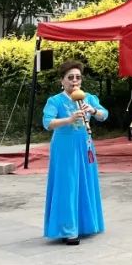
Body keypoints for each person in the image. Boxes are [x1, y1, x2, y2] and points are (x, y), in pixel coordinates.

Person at [42, 60, 109, 245]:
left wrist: (93, 110)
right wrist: (69, 119)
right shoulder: (55, 100)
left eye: (77, 77)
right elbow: (48, 123)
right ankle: (68, 229)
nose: (74, 81)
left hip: (85, 145)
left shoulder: (88, 98)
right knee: (67, 184)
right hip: (64, 147)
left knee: (86, 182)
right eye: (70, 77)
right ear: (62, 81)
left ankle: (86, 225)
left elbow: (104, 115)